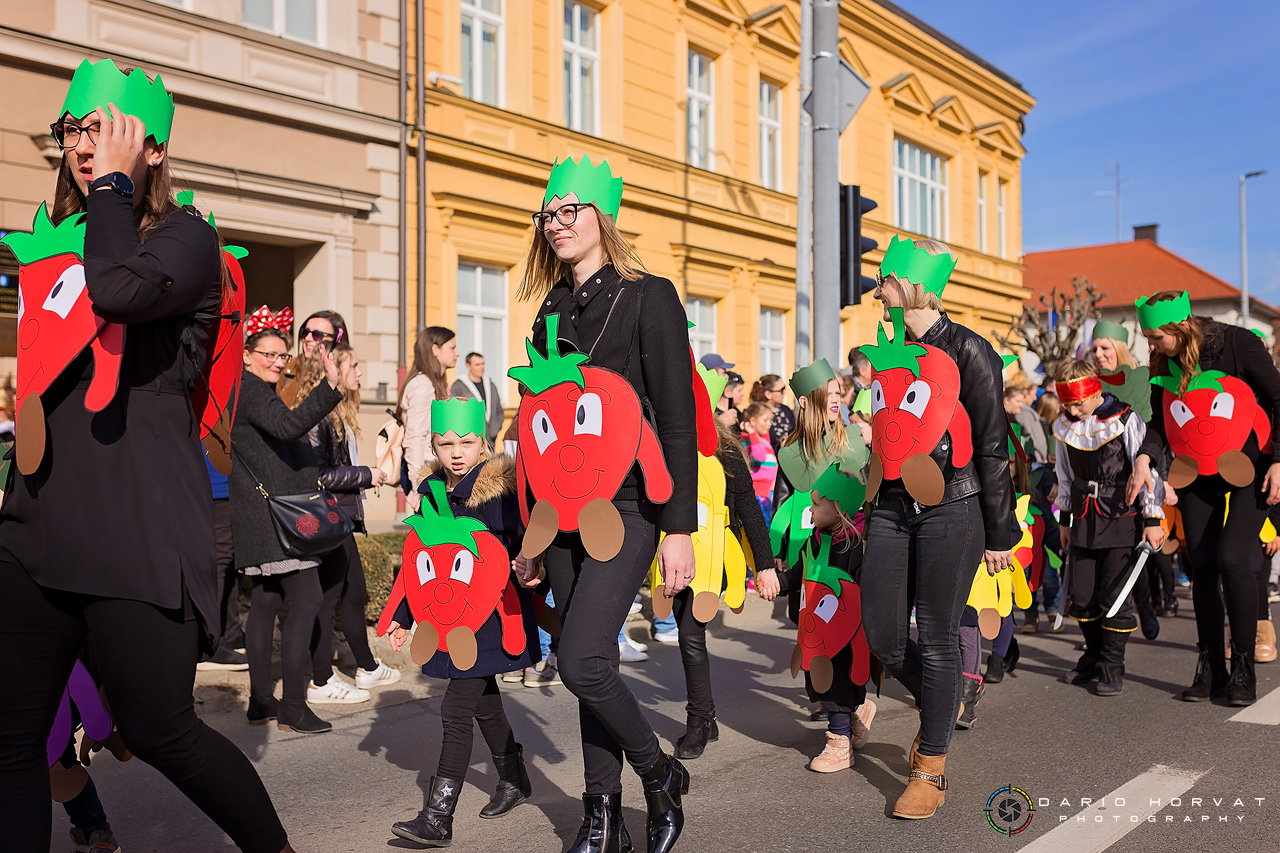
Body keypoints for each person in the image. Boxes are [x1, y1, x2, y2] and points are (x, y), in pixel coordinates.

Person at [0, 58, 293, 851]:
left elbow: (119, 291)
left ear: (153, 149)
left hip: (136, 531)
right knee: (10, 735)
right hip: (37, 526)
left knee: (161, 730)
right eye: (75, 128)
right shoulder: (52, 241)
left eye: (107, 129)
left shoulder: (188, 239)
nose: (85, 143)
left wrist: (110, 191)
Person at [514, 155, 696, 853]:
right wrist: (529, 537)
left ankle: (659, 774)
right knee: (591, 665)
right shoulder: (550, 312)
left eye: (569, 210)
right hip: (558, 512)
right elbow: (535, 433)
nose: (556, 223)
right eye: (548, 213)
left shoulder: (650, 297)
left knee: (584, 658)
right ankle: (601, 814)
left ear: (602, 216)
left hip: (627, 505)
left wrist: (678, 529)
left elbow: (677, 421)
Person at [858, 235, 1012, 820]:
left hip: (955, 505)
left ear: (915, 286)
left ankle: (931, 765)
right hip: (893, 505)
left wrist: (1001, 534)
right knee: (884, 634)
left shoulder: (971, 351)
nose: (878, 289)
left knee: (941, 633)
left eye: (886, 280)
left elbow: (994, 448)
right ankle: (945, 702)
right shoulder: (886, 350)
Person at [384, 397, 540, 847]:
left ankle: (438, 817)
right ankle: (514, 778)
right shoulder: (431, 490)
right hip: (449, 615)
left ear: (483, 443)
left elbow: (524, 549)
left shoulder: (501, 493)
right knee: (483, 702)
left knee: (456, 708)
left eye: (467, 443)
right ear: (433, 444)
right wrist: (401, 614)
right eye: (445, 443)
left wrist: (532, 566)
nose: (456, 452)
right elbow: (421, 563)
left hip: (489, 618)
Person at [1127, 290, 1280, 706]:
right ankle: (1212, 666)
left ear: (1180, 328)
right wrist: (1144, 457)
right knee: (1204, 565)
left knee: (1234, 560)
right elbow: (1161, 422)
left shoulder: (1238, 344)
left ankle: (1244, 667)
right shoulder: (1166, 363)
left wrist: (1278, 461)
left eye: (1155, 336)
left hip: (1248, 468)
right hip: (1195, 472)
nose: (1150, 345)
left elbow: (1278, 400)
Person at [233, 322, 344, 734]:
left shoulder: (247, 388)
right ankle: (293, 707)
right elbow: (288, 426)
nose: (278, 362)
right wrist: (330, 389)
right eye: (269, 355)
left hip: (260, 516)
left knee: (264, 603)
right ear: (246, 355)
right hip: (276, 520)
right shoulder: (250, 389)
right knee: (306, 598)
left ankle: (262, 701)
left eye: (283, 356)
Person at [293, 343, 402, 705]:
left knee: (353, 592)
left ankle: (366, 668)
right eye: (354, 366)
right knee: (328, 597)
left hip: (342, 515)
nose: (359, 373)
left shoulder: (341, 412)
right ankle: (321, 680)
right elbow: (319, 474)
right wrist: (366, 474)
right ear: (334, 369)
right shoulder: (321, 417)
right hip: (328, 517)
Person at [1053, 359, 1164, 695]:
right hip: (1084, 518)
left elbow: (1145, 474)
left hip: (1121, 515)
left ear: (1095, 389)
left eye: (1079, 401)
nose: (1073, 408)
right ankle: (1093, 655)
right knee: (1082, 595)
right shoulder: (1065, 425)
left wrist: (1153, 518)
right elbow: (1064, 477)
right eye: (1067, 402)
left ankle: (1112, 666)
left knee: (1114, 596)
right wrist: (1064, 518)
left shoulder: (1124, 419)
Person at [669, 418, 776, 761]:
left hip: (714, 558)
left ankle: (699, 718)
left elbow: (750, 511)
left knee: (689, 634)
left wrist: (765, 565)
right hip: (673, 556)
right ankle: (706, 714)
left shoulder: (727, 453)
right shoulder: (666, 446)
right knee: (687, 633)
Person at [196, 449, 249, 671]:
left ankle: (230, 631)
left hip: (225, 482)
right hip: (215, 482)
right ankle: (210, 644)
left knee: (229, 560)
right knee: (221, 559)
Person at [399, 326, 459, 509]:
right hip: (425, 477)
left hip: (431, 474)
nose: (457, 353)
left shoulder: (433, 384)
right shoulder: (423, 386)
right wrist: (419, 486)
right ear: (435, 349)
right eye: (452, 347)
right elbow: (415, 438)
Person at [278, 309, 349, 406]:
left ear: (337, 339)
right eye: (305, 332)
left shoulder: (347, 372)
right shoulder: (288, 366)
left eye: (317, 335)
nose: (307, 338)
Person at [450, 352, 506, 447]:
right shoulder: (459, 386)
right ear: (468, 366)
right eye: (477, 364)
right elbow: (455, 413)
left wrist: (493, 430)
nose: (482, 367)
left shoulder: (491, 385)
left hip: (491, 442)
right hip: (470, 442)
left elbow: (499, 411)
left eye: (483, 364)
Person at [742, 402, 779, 520]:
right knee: (763, 523)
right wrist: (751, 433)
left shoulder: (762, 440)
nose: (769, 424)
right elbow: (759, 457)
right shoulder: (750, 441)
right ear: (753, 421)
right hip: (758, 492)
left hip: (767, 492)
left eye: (770, 420)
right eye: (765, 420)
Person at [749, 374, 795, 454]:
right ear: (768, 394)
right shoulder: (756, 413)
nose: (785, 392)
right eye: (781, 390)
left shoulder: (786, 410)